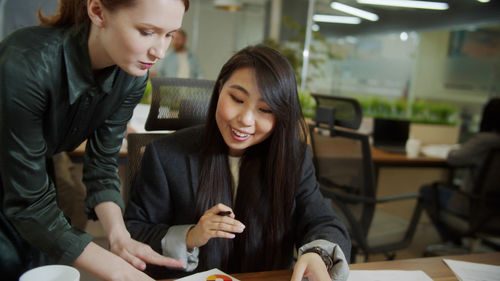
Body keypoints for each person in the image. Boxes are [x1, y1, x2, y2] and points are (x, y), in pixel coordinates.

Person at [125, 45, 351, 280]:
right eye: (237, 99)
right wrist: (190, 236)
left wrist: (318, 254)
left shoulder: (293, 158)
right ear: (220, 89)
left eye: (265, 109)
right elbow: (134, 232)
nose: (245, 119)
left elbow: (323, 220)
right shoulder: (165, 155)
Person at [0, 0, 189, 280]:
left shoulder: (132, 76)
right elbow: (30, 204)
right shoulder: (26, 63)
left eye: (170, 34)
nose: (160, 51)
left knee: (38, 263)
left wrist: (119, 236)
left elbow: (101, 164)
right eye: (147, 31)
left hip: (31, 173)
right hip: (13, 174)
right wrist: (117, 270)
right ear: (98, 11)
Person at [420, 98, 500, 244]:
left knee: (428, 190)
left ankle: (451, 241)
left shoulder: (485, 141)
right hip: (495, 212)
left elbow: (453, 158)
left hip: (474, 208)